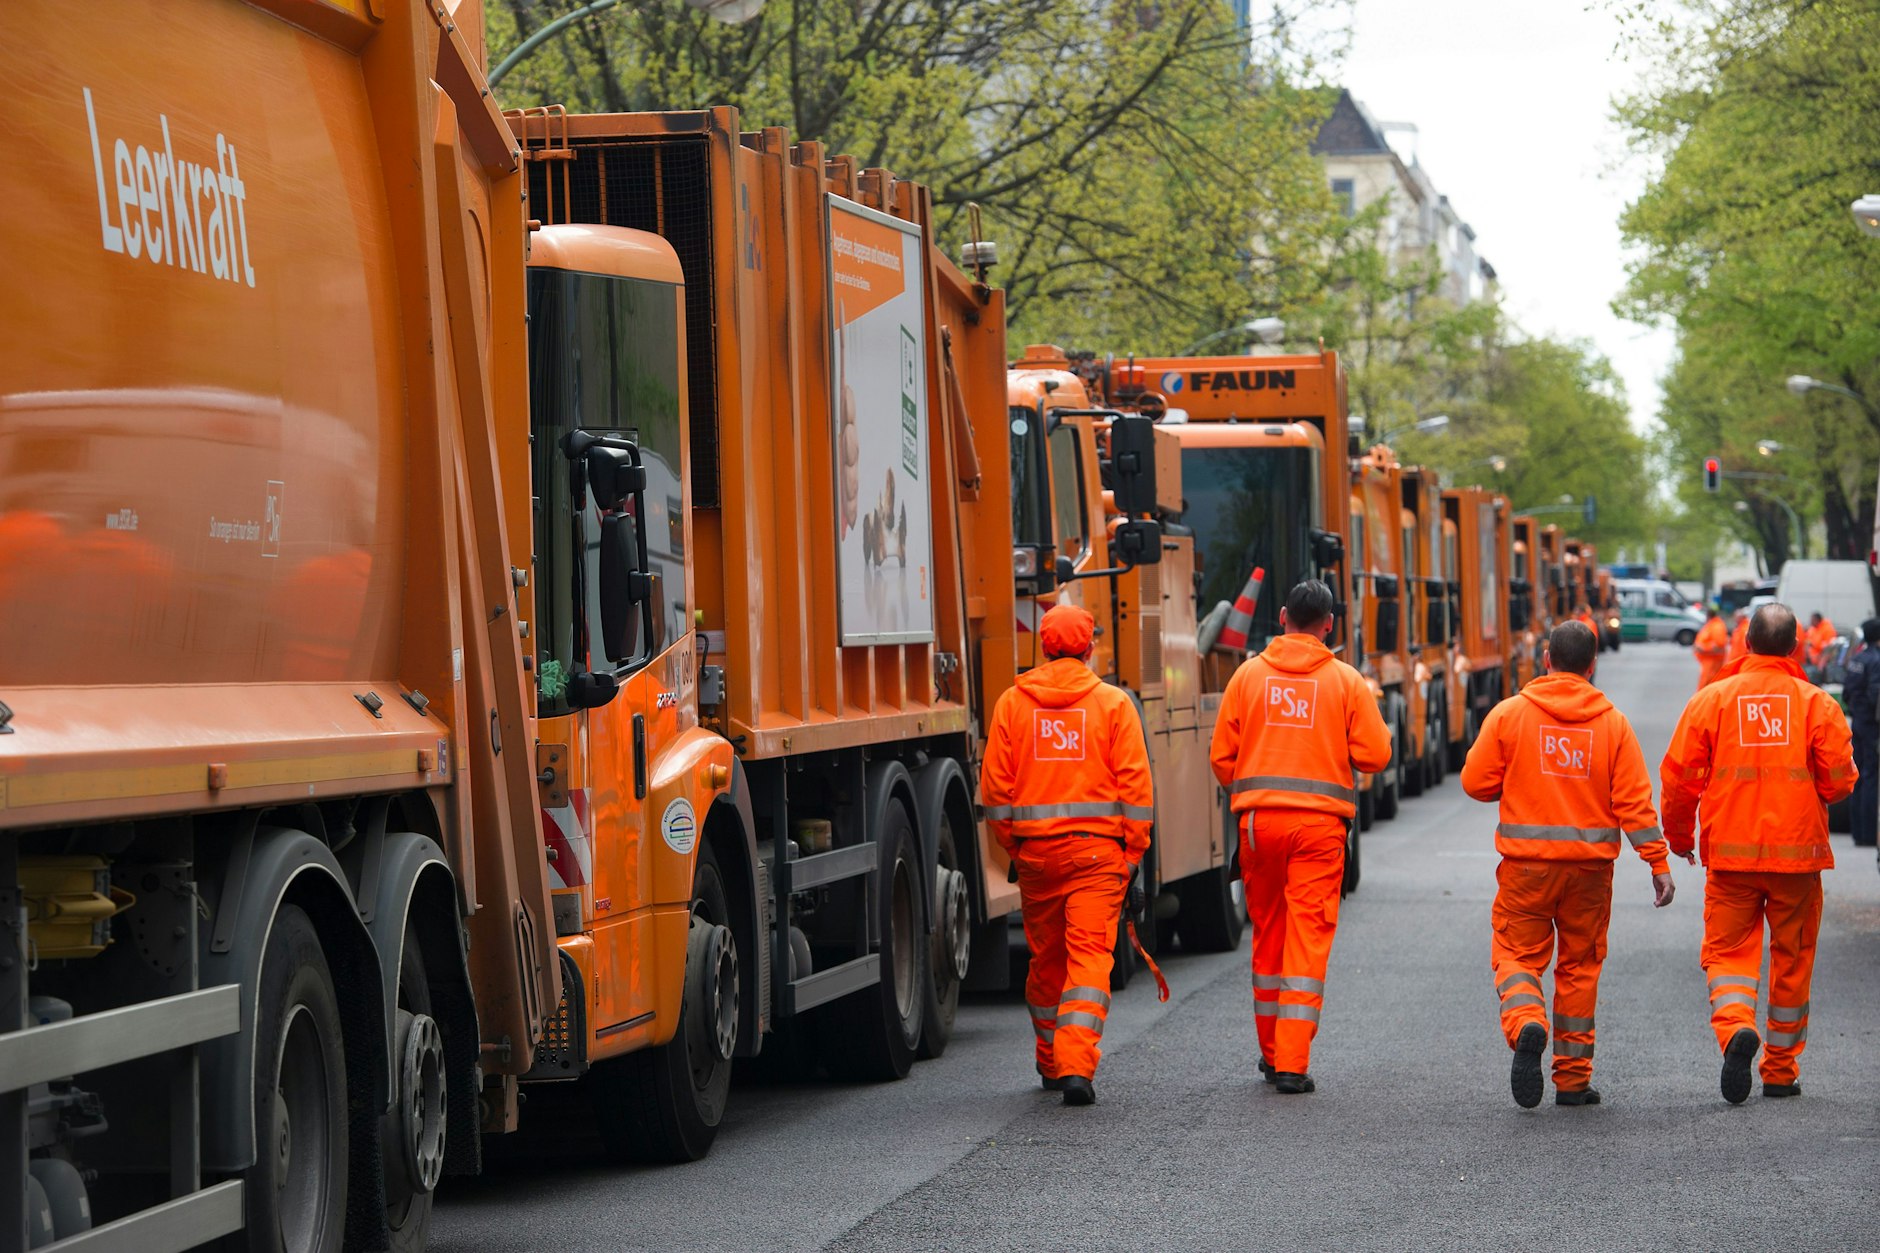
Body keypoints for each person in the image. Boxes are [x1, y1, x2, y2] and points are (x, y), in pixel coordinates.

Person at [1461, 621, 1673, 1109]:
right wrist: (1657, 863)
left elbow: (1475, 782)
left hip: (1526, 870)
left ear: (1547, 660)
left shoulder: (1510, 715)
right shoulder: (1613, 724)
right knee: (1580, 966)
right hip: (1590, 874)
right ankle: (1573, 1080)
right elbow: (1635, 804)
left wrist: (1511, 781)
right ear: (1593, 666)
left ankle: (1526, 1020)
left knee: (1516, 954)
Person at [1660, 604, 1856, 1103]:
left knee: (1728, 955)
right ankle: (1780, 1069)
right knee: (1792, 961)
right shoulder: (1817, 704)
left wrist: (1679, 838)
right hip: (1798, 859)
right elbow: (1838, 784)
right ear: (1795, 647)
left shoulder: (1712, 701)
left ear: (1745, 644)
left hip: (1731, 859)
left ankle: (1735, 1030)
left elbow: (1680, 779)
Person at [1209, 579, 1391, 1095]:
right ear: (1329, 625)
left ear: (1284, 616)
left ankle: (1271, 1054)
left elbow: (1222, 757)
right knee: (1307, 940)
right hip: (1318, 830)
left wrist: (1255, 789)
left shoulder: (1247, 677)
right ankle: (1291, 1060)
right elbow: (1376, 755)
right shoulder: (1345, 681)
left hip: (1257, 826)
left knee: (1267, 933)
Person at [980, 603, 1152, 1106]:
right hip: (1098, 859)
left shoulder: (1012, 704)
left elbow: (994, 793)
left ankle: (1051, 1059)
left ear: (1044, 646)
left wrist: (1016, 846)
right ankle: (1075, 1066)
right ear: (1091, 647)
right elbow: (1136, 790)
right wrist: (1132, 854)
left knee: (1047, 959)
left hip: (1035, 858)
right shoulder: (1113, 705)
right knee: (1089, 959)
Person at [1841, 619, 1880, 849]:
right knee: (1871, 777)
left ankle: (1858, 832)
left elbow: (1847, 692)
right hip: (1872, 726)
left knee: (1858, 775)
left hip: (1858, 722)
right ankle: (1867, 834)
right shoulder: (1876, 660)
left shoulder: (1857, 659)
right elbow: (1876, 694)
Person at [1692, 606, 1729, 690]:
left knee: (1706, 687)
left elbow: (1719, 646)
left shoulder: (1717, 626)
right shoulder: (1712, 625)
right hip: (1708, 662)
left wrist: (1703, 648)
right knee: (1705, 686)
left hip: (1712, 663)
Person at [1803, 611, 1838, 676]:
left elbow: (1828, 648)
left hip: (1821, 662)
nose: (1810, 622)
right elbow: (1807, 639)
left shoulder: (1828, 630)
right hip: (1811, 661)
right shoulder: (1812, 628)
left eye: (1812, 620)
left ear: (1817, 620)